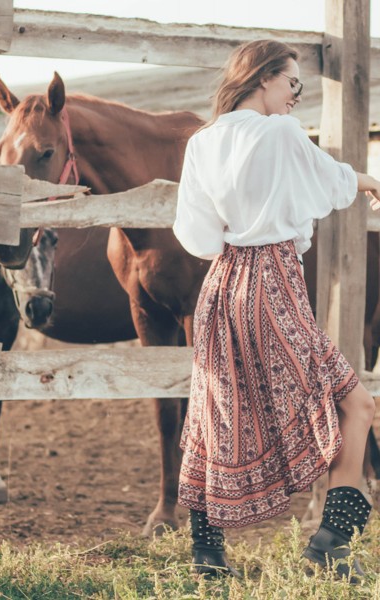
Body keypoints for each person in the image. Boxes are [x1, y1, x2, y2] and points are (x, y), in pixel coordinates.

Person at [173, 39, 380, 581]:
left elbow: (198, 236)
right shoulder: (281, 133)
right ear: (264, 77)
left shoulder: (202, 141)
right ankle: (331, 545)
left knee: (215, 413)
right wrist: (369, 180)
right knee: (355, 404)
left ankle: (207, 557)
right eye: (293, 83)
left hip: (221, 285)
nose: (296, 96)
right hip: (273, 281)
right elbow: (329, 178)